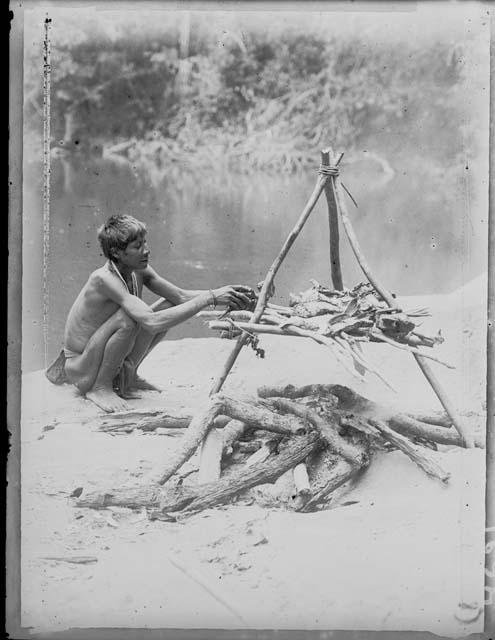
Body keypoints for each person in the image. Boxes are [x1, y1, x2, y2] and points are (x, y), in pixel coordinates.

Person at [45, 214, 255, 413]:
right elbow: (151, 322)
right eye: (138, 246)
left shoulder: (138, 268)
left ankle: (129, 375)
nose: (146, 251)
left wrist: (224, 295)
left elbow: (180, 296)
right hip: (81, 369)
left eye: (145, 243)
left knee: (167, 305)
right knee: (129, 318)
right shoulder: (103, 278)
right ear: (117, 253)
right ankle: (100, 388)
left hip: (97, 358)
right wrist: (210, 297)